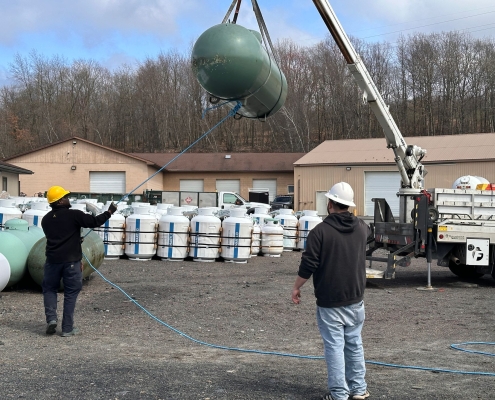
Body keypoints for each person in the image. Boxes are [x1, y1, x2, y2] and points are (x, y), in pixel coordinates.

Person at [291, 182, 371, 400]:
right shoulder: (363, 227)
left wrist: (297, 287)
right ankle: (358, 389)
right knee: (354, 344)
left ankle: (339, 394)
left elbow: (308, 264)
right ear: (349, 205)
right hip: (356, 299)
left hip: (330, 302)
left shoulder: (320, 232)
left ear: (330, 204)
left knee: (335, 348)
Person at [41, 185, 117, 337]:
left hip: (52, 261)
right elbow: (95, 222)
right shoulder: (74, 215)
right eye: (65, 197)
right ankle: (67, 329)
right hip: (71, 262)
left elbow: (58, 236)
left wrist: (76, 239)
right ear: (60, 201)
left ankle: (51, 320)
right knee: (71, 293)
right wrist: (109, 212)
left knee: (49, 290)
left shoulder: (46, 220)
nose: (68, 199)